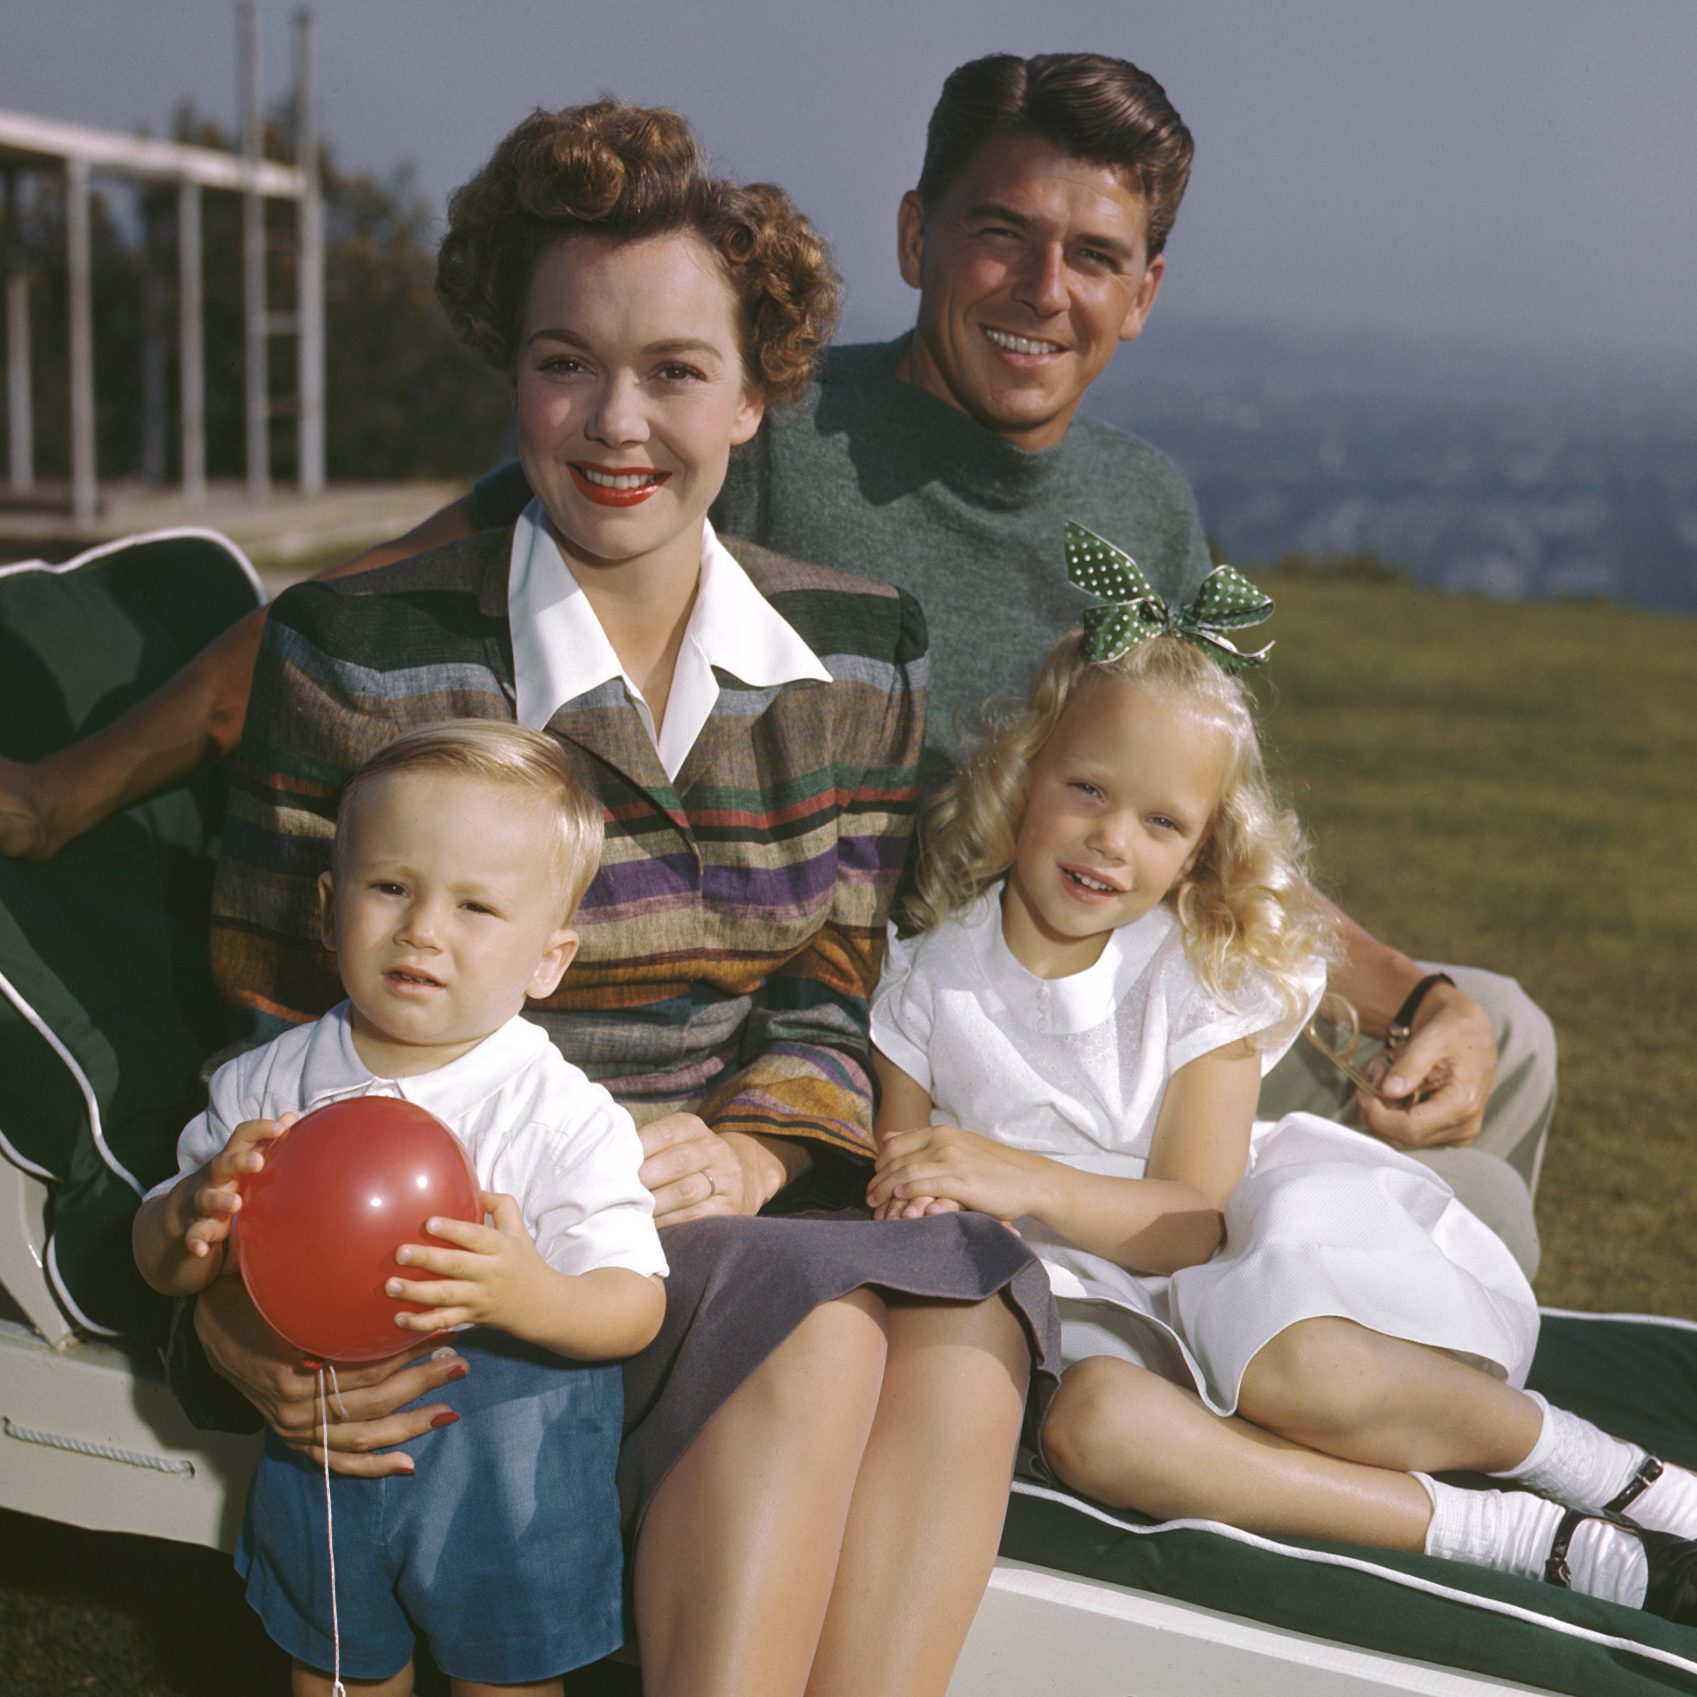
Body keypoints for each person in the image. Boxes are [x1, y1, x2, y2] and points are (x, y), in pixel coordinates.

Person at [0, 53, 1553, 1272]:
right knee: (1424, 1208)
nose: (1043, 289)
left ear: (1141, 293)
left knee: (1503, 1031)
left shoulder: (1141, 503)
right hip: (937, 1010)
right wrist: (67, 789)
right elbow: (386, 597)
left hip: (1111, 964)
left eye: (1094, 255)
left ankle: (1374, 1358)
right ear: (917, 236)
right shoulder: (746, 420)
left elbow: (1182, 805)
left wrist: (1406, 985)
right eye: (1001, 234)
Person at [178, 102, 1055, 1697]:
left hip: (729, 1203)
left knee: (969, 1323)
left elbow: (836, 973)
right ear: (510, 371)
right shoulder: (357, 655)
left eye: (677, 371)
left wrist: (757, 1145)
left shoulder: (861, 655)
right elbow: (265, 1038)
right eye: (564, 361)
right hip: (485, 1255)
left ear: (756, 393)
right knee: (824, 1319)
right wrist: (240, 1325)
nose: (616, 421)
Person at [866, 540, 1697, 1622]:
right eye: (1086, 789)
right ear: (1023, 774)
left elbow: (1193, 1222)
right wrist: (928, 1189)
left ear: (1198, 850)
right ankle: (1509, 1536)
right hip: (1062, 1300)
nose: (1110, 841)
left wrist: (1016, 1175)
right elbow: (901, 1178)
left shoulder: (1196, 971)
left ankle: (1610, 1475)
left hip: (1217, 1264)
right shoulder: (928, 979)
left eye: (1161, 822)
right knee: (1097, 1430)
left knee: (1299, 1372)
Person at [135, 721, 669, 1696]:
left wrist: (530, 1293)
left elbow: (634, 1302)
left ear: (548, 959)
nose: (423, 927)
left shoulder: (556, 1113)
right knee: (334, 1661)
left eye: (475, 905)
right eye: (390, 886)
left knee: (505, 1680)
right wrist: (188, 1219)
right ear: (328, 907)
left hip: (507, 1473)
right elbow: (162, 1259)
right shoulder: (269, 1084)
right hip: (327, 1450)